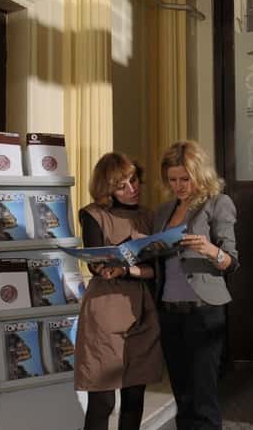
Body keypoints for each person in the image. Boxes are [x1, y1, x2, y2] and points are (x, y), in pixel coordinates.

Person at [75, 152, 163, 430]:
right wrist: (125, 252)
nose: (131, 189)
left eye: (133, 180)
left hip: (141, 311)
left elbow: (157, 270)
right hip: (105, 312)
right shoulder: (93, 214)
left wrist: (128, 269)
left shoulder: (149, 216)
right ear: (107, 189)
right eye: (121, 185)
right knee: (102, 401)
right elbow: (96, 266)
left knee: (134, 396)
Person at [153, 140, 238, 430]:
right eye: (172, 179)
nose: (178, 186)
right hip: (168, 311)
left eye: (184, 179)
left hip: (203, 312)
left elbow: (231, 262)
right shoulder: (163, 211)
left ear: (199, 174)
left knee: (203, 399)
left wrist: (210, 249)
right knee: (183, 398)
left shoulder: (218, 204)